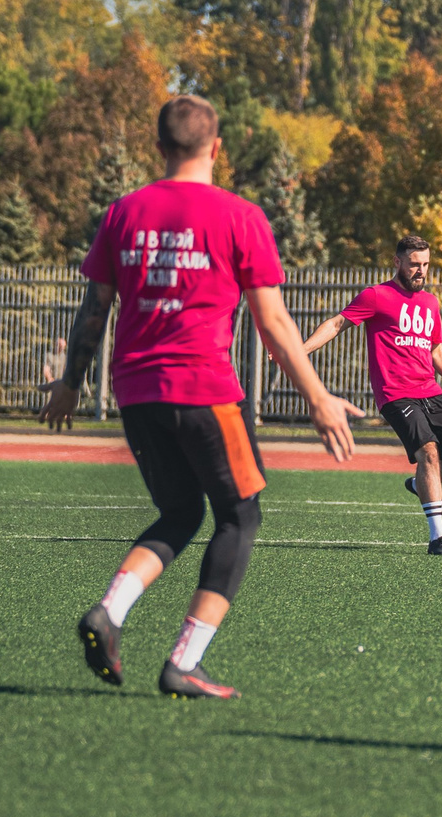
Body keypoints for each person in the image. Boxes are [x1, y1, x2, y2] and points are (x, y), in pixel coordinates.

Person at [45, 94, 358, 699]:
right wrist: (318, 396)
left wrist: (69, 380)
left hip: (136, 393)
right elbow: (272, 322)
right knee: (240, 516)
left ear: (159, 148)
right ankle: (185, 660)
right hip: (206, 389)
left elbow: (94, 308)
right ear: (218, 149)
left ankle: (110, 611)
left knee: (183, 513)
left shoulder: (123, 214)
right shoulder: (239, 216)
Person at [300, 234, 442, 556]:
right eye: (414, 264)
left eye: (425, 265)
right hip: (395, 394)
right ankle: (438, 538)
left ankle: (419, 485)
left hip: (431, 391)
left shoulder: (430, 303)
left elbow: (436, 349)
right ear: (397, 262)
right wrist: (298, 351)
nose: (421, 271)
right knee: (428, 451)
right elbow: (337, 323)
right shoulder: (376, 296)